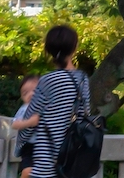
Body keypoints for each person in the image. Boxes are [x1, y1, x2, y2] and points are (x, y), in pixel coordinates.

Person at [26, 25, 91, 178]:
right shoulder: (82, 79)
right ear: (74, 48)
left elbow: (30, 119)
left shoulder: (47, 80)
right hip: (73, 162)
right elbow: (85, 114)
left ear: (48, 50)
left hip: (46, 163)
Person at [11, 74, 40, 178]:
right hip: (29, 146)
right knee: (27, 171)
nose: (30, 94)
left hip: (46, 145)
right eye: (25, 93)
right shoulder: (24, 109)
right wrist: (29, 122)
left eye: (34, 90)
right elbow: (14, 124)